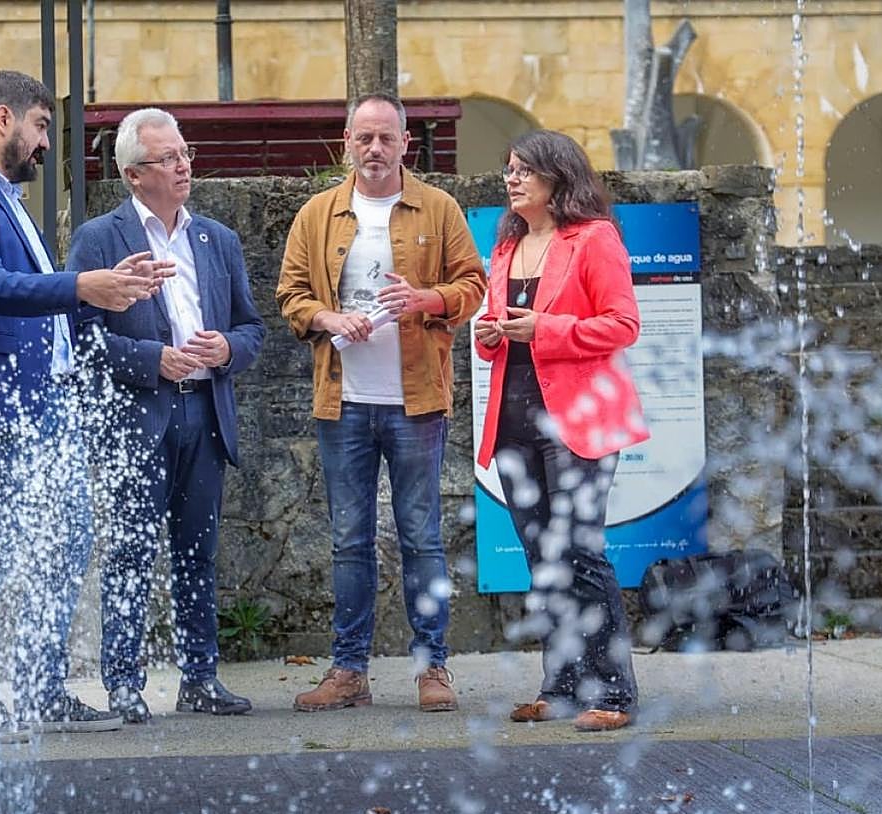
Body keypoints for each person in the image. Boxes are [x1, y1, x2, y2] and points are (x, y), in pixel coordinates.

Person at [0, 70, 169, 742]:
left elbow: (36, 292)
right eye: (41, 127)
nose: (46, 144)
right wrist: (86, 283)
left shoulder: (4, 197)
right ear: (4, 118)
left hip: (42, 406)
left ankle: (40, 689)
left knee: (69, 541)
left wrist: (104, 294)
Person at [277, 93, 486, 713]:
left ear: (404, 144)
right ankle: (348, 672)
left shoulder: (439, 208)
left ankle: (433, 669)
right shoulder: (318, 214)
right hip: (344, 402)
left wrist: (424, 300)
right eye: (363, 138)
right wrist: (328, 315)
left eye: (385, 138)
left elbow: (473, 286)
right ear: (346, 140)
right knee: (349, 539)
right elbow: (290, 295)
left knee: (422, 536)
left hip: (416, 400)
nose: (374, 149)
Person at [66, 108, 265, 723]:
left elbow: (253, 328)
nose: (183, 166)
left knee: (197, 553)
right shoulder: (100, 239)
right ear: (133, 173)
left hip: (206, 414)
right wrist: (155, 359)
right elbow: (80, 339)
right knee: (129, 552)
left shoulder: (217, 239)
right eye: (169, 158)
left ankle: (200, 679)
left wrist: (227, 349)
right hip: (138, 420)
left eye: (185, 154)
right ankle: (122, 683)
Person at [474, 129, 649, 732]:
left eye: (524, 169)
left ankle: (616, 694)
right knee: (542, 558)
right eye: (509, 168)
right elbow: (502, 330)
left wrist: (544, 329)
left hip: (576, 423)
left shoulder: (594, 239)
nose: (511, 179)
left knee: (580, 552)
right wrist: (489, 335)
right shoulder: (506, 243)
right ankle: (563, 682)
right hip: (515, 420)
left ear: (558, 177)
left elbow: (623, 324)